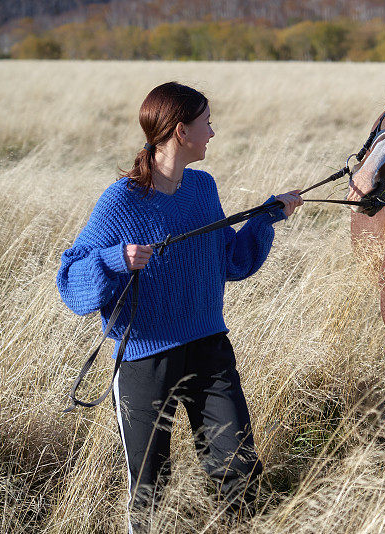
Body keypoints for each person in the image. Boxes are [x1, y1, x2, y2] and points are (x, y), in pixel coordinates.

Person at [56, 81, 303, 531]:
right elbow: (71, 282)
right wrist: (115, 259)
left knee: (239, 470)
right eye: (206, 122)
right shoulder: (121, 202)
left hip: (210, 346)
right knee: (151, 489)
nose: (213, 131)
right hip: (144, 361)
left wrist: (265, 218)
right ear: (180, 132)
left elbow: (231, 261)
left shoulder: (203, 189)